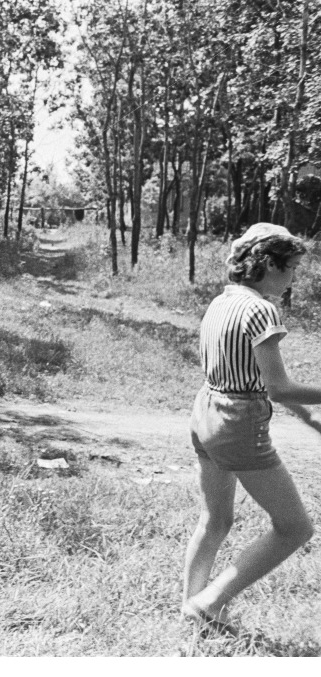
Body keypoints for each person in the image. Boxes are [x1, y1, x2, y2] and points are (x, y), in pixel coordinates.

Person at [182, 223, 316, 634]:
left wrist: (307, 416)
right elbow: (278, 387)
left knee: (216, 520)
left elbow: (243, 373)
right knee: (295, 528)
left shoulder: (222, 301)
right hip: (239, 423)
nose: (294, 277)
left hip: (205, 411)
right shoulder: (262, 310)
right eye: (291, 267)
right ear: (267, 265)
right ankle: (209, 602)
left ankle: (191, 606)